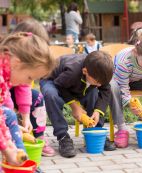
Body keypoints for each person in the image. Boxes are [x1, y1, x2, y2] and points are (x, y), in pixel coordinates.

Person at [40, 51, 116, 158]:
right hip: (53, 81)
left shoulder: (99, 74)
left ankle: (96, 132)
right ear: (85, 71)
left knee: (93, 91)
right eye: (98, 82)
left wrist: (97, 111)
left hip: (74, 84)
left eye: (102, 83)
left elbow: (105, 90)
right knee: (51, 95)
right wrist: (75, 107)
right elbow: (60, 85)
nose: (100, 85)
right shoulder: (72, 71)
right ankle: (63, 137)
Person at [0, 32, 56, 165]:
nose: (28, 83)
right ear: (17, 63)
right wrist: (7, 149)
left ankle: (22, 161)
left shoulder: (5, 74)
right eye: (30, 78)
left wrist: (9, 143)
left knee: (9, 116)